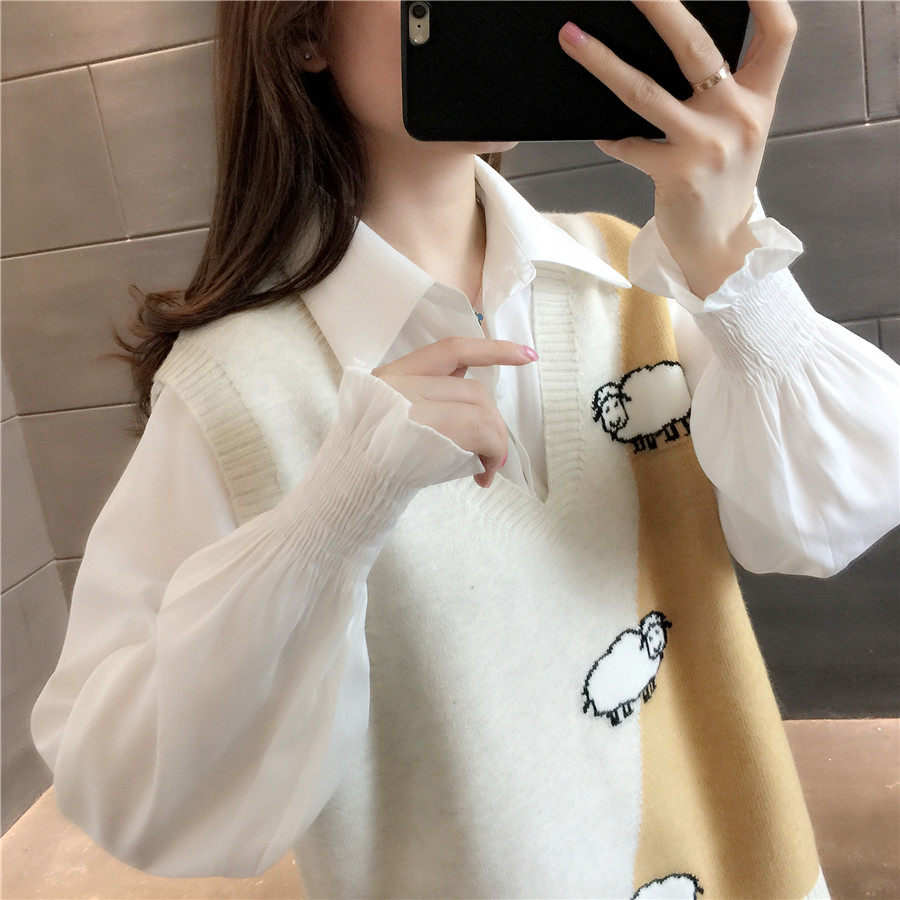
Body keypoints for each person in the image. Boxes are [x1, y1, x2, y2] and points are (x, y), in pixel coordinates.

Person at [30, 2, 898, 897]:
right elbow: (129, 789)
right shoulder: (234, 388)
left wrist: (734, 265)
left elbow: (830, 517)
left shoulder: (635, 274)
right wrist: (330, 519)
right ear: (302, 32)